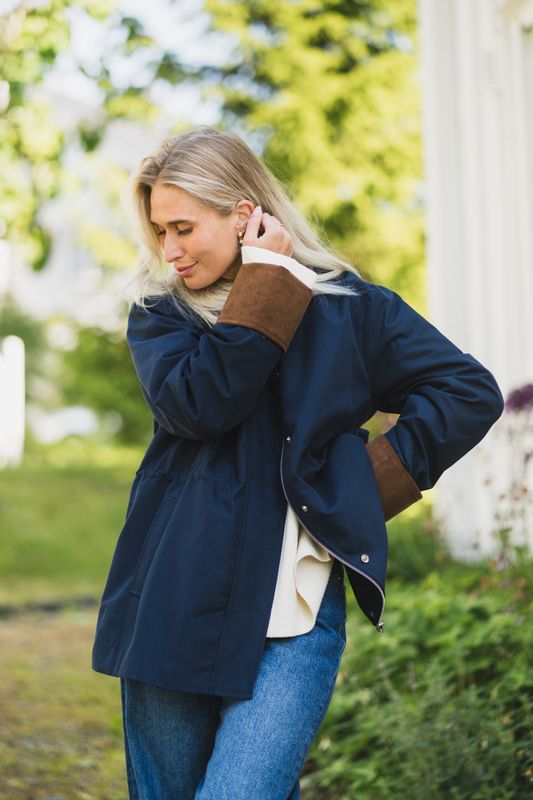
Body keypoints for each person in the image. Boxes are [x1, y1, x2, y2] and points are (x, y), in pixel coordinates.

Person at [91, 127, 504, 799]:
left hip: (296, 617)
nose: (169, 250)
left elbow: (466, 392)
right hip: (174, 601)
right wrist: (265, 285)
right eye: (159, 231)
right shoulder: (163, 316)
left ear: (245, 211)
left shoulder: (352, 309)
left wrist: (361, 491)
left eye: (183, 228)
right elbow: (199, 406)